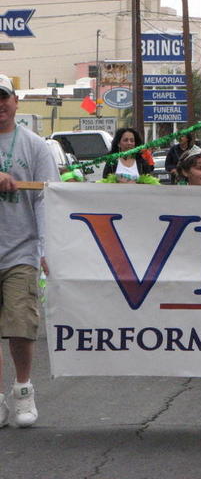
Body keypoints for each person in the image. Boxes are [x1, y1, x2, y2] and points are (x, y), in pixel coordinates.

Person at [0, 74, 60, 428]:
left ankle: (23, 390)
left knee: (21, 325)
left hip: (20, 250)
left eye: (4, 98)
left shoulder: (35, 146)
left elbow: (45, 198)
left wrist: (47, 247)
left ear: (15, 101)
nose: (0, 106)